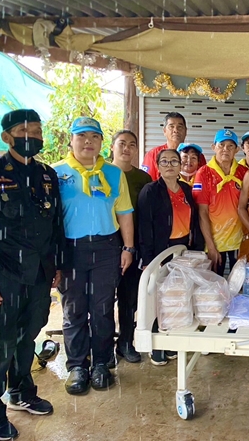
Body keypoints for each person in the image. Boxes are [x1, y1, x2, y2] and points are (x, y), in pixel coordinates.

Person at [0, 110, 63, 440]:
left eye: (37, 130)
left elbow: (55, 224)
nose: (31, 136)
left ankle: (21, 392)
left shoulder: (47, 175)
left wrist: (57, 265)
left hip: (39, 273)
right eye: (23, 130)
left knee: (28, 335)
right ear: (7, 137)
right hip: (4, 273)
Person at [53, 117, 134, 395]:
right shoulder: (56, 173)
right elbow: (49, 219)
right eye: (82, 136)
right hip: (70, 249)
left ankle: (101, 363)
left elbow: (125, 213)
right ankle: (77, 366)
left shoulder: (114, 173)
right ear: (71, 140)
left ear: (101, 142)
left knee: (102, 309)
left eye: (94, 136)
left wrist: (128, 248)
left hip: (106, 248)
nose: (88, 141)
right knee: (73, 309)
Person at [138, 149, 203, 365]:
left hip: (182, 248)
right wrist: (148, 259)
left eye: (174, 161)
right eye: (164, 161)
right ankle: (157, 347)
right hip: (159, 250)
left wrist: (195, 247)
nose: (169, 165)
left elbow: (194, 221)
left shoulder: (186, 189)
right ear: (157, 166)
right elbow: (144, 227)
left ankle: (171, 341)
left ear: (180, 165)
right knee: (158, 299)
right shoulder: (150, 191)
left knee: (176, 296)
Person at [110, 130, 152, 364]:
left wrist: (139, 248)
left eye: (132, 145)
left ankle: (125, 342)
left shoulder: (143, 179)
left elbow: (146, 217)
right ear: (112, 147)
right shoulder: (103, 173)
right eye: (122, 143)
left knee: (129, 297)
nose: (127, 148)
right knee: (103, 300)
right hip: (106, 244)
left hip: (132, 245)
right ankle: (102, 347)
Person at [193, 129, 248, 276]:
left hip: (239, 240)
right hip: (214, 240)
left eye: (230, 146)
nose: (225, 149)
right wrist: (211, 246)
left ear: (237, 150)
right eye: (221, 145)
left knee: (239, 281)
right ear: (213, 147)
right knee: (214, 282)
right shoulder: (203, 173)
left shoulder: (243, 172)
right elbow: (202, 212)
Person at [141, 112, 187, 180]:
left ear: (186, 131)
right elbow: (146, 181)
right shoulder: (153, 154)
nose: (176, 130)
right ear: (164, 131)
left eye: (180, 127)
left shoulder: (196, 156)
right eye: (171, 127)